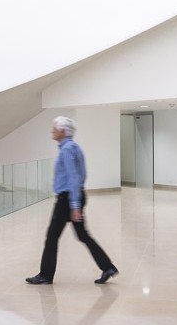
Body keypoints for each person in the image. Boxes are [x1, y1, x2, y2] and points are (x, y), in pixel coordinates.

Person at [25, 115, 119, 286]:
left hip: (67, 200)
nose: (52, 131)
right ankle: (108, 267)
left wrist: (74, 205)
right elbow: (82, 174)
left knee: (52, 237)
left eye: (54, 128)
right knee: (83, 235)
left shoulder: (67, 150)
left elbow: (74, 178)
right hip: (73, 197)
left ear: (62, 131)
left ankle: (46, 275)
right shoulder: (74, 147)